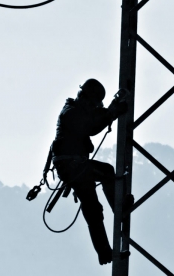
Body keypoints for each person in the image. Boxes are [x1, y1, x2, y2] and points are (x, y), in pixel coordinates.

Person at [51, 79, 129, 265]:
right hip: (73, 167)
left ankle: (104, 253)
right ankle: (120, 207)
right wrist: (111, 113)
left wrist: (111, 110)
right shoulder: (71, 113)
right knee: (107, 173)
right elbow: (91, 126)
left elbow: (95, 117)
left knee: (92, 209)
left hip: (74, 167)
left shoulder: (75, 110)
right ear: (87, 99)